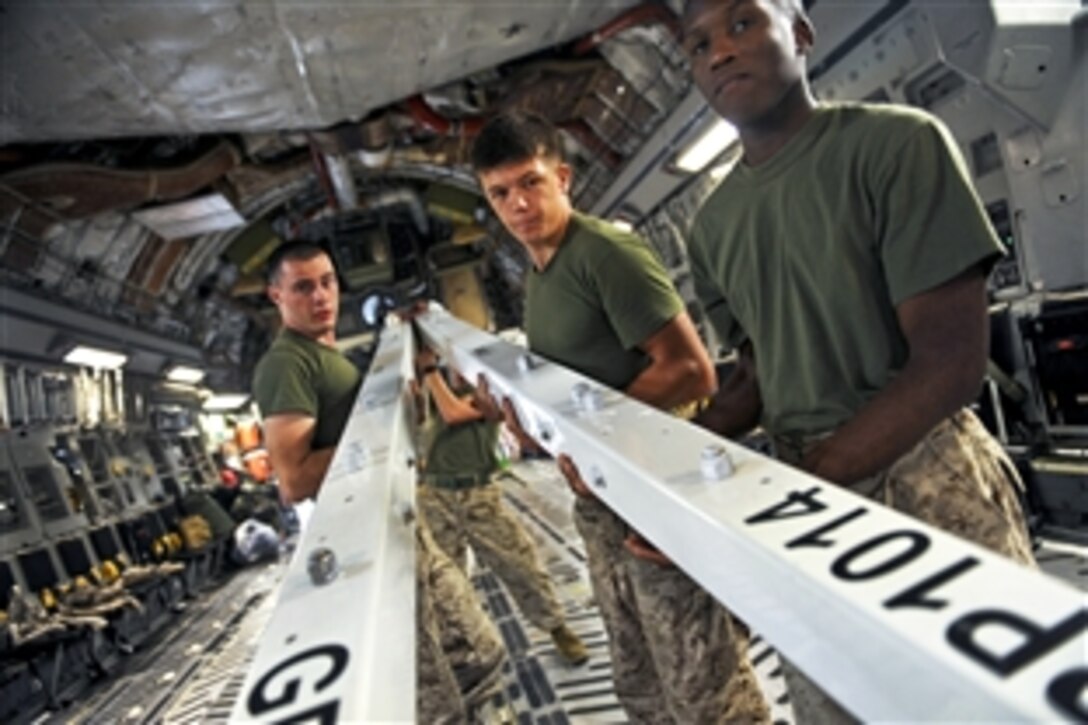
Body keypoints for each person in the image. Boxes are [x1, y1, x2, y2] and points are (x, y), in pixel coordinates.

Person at [679, 1, 1036, 722]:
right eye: (697, 44)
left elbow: (947, 365)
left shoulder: (896, 146)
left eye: (743, 23)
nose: (719, 51)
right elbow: (757, 374)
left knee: (982, 705)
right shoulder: (712, 227)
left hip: (923, 475)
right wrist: (671, 466)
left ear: (801, 35)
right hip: (808, 490)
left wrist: (807, 487)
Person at [470, 111, 770, 724]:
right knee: (640, 680)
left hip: (654, 485)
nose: (518, 204)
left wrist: (589, 438)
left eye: (530, 182)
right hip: (604, 497)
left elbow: (691, 370)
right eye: (500, 193)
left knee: (705, 689)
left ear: (563, 176)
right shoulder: (541, 272)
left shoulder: (604, 253)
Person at [251, 240, 507, 723]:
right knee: (431, 697)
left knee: (476, 654)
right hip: (365, 546)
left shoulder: (332, 360)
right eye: (303, 287)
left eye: (327, 282)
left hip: (398, 527)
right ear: (276, 296)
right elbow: (294, 480)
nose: (321, 296)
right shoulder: (287, 365)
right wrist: (376, 433)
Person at [415, 345, 588, 665]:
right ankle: (464, 658)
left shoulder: (485, 389)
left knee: (521, 564)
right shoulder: (432, 387)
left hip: (477, 492)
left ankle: (557, 627)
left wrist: (430, 373)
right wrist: (423, 379)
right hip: (434, 495)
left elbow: (454, 414)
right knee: (444, 584)